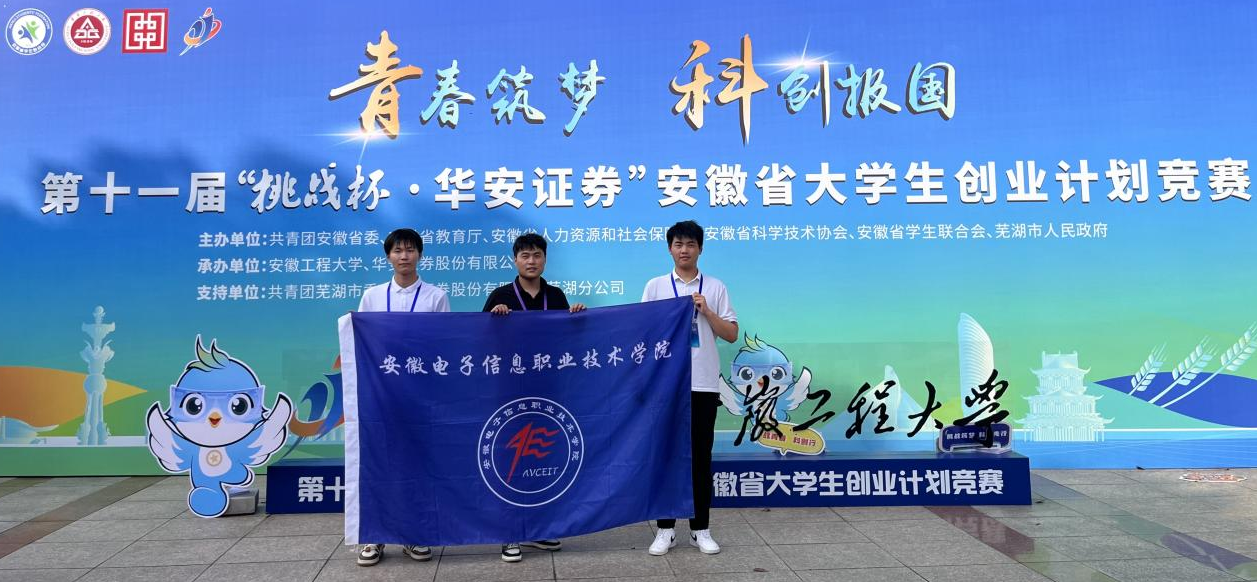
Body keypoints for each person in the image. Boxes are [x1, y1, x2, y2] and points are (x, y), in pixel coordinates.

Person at [483, 232, 584, 562]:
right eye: (525, 255)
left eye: (537, 255)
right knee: (509, 462)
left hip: (546, 390)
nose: (531, 261)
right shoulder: (500, 295)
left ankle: (539, 529)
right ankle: (509, 532)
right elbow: (480, 338)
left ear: (544, 259)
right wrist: (493, 319)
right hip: (509, 392)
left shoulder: (555, 296)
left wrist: (577, 317)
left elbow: (567, 340)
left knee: (542, 460)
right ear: (514, 259)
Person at [640, 220, 737, 556]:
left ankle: (700, 529)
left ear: (700, 249)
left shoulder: (715, 287)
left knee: (699, 458)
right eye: (678, 244)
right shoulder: (655, 286)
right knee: (665, 455)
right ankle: (665, 529)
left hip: (703, 383)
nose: (684, 250)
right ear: (670, 249)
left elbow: (731, 334)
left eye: (690, 244)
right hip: (665, 386)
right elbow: (643, 333)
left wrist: (706, 310)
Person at [354, 227, 449, 566]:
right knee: (379, 461)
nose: (404, 256)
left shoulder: (435, 296)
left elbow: (443, 344)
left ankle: (413, 533)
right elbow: (361, 343)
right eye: (398, 250)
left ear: (420, 255)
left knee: (416, 464)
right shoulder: (372, 296)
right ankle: (374, 536)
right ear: (388, 256)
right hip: (381, 394)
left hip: (421, 395)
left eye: (410, 250)